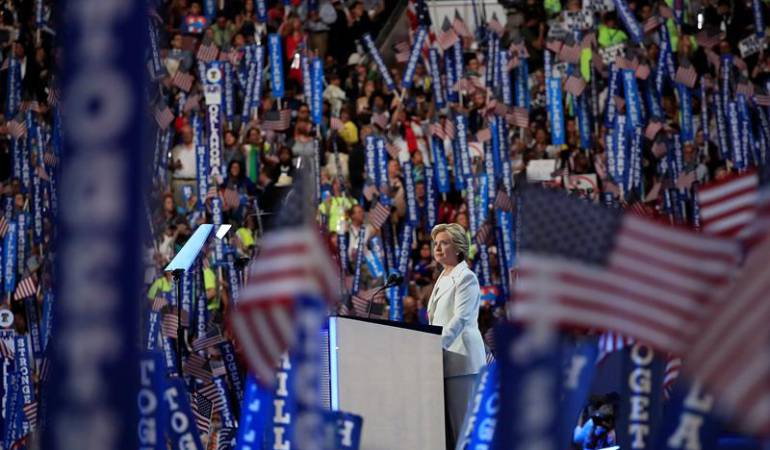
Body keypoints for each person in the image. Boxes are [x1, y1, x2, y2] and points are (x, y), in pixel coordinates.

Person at [427, 223, 486, 449]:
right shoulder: (443, 277)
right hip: (446, 361)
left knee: (464, 432)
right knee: (451, 436)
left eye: (444, 243)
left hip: (462, 361)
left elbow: (460, 319)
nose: (438, 248)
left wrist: (435, 346)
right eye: (436, 244)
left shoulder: (466, 277)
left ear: (459, 248)